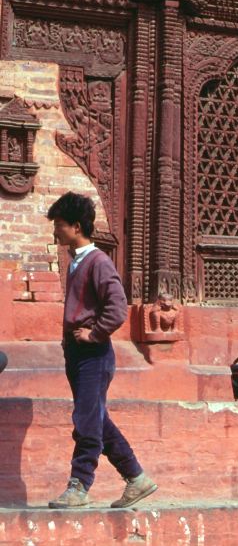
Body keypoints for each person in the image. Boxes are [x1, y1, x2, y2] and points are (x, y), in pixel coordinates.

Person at [45, 192, 156, 510]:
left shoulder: (98, 262)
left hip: (93, 354)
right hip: (77, 353)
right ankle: (136, 477)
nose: (56, 230)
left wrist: (94, 333)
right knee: (96, 418)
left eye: (60, 224)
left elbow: (118, 307)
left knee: (86, 419)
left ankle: (79, 485)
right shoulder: (76, 262)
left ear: (76, 227)